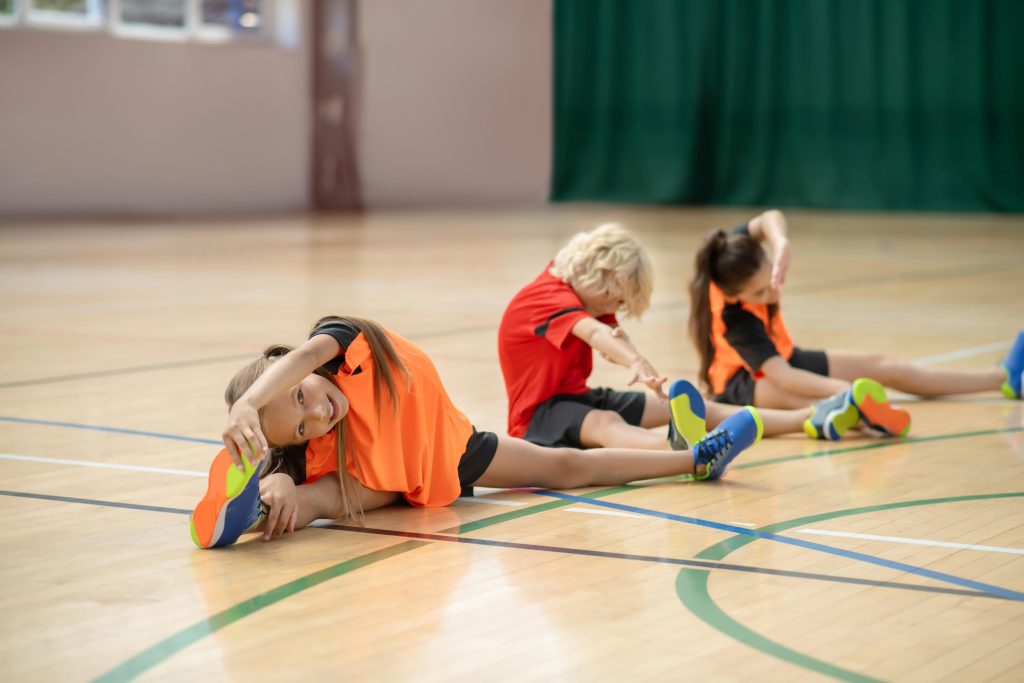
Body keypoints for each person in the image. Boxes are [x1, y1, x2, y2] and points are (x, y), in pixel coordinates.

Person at [189, 315, 763, 549]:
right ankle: (255, 510)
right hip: (392, 481)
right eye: (304, 426)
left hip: (452, 449)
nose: (319, 415)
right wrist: (287, 484)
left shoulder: (342, 344)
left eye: (301, 397)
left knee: (568, 466)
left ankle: (695, 460)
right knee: (314, 496)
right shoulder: (327, 444)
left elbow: (308, 354)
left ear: (300, 368)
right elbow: (330, 479)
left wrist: (250, 403)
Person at [498, 223, 864, 451]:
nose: (616, 306)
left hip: (576, 398)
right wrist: (635, 361)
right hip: (537, 416)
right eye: (617, 297)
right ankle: (687, 452)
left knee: (691, 405)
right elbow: (594, 333)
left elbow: (612, 336)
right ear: (599, 275)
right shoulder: (547, 295)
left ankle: (812, 417)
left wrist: (648, 375)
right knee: (606, 424)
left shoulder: (585, 295)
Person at [687, 209, 1024, 437]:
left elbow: (771, 218)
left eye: (770, 277)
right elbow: (783, 375)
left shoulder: (732, 251)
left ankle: (1001, 378)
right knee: (817, 400)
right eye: (760, 293)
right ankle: (852, 413)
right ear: (735, 295)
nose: (773, 291)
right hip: (741, 385)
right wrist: (844, 389)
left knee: (882, 366)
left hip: (781, 357)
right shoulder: (736, 319)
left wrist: (780, 242)